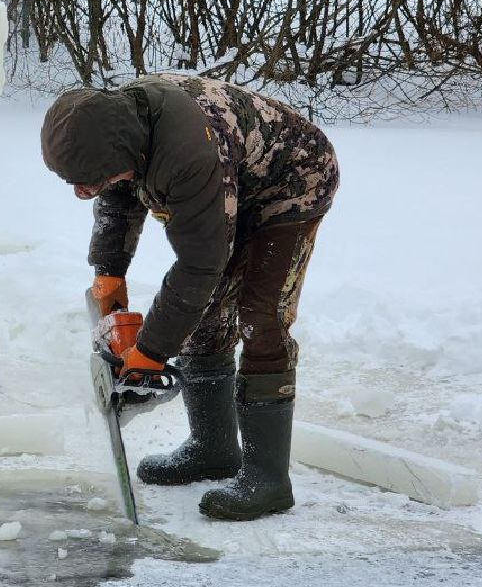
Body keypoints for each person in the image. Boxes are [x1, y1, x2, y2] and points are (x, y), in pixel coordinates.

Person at [40, 73, 339, 521]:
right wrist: (109, 274)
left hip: (290, 183)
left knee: (261, 315)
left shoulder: (186, 152)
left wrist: (150, 352)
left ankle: (268, 479)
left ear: (124, 155)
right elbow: (118, 200)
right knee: (205, 313)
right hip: (228, 179)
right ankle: (213, 448)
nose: (82, 192)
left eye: (89, 181)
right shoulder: (117, 130)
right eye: (75, 183)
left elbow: (200, 263)